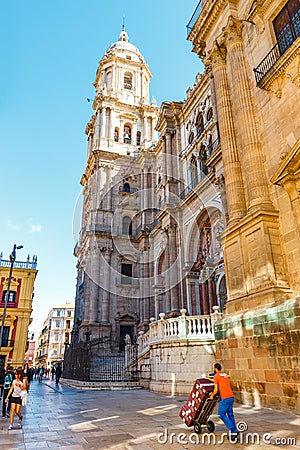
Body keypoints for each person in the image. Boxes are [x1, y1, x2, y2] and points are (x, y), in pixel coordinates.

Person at [209, 363, 238, 438]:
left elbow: (216, 389)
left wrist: (212, 395)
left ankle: (233, 429)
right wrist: (209, 379)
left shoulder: (216, 376)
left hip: (225, 397)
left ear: (215, 368)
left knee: (221, 414)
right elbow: (221, 381)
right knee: (230, 414)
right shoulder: (224, 375)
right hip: (231, 396)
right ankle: (233, 432)